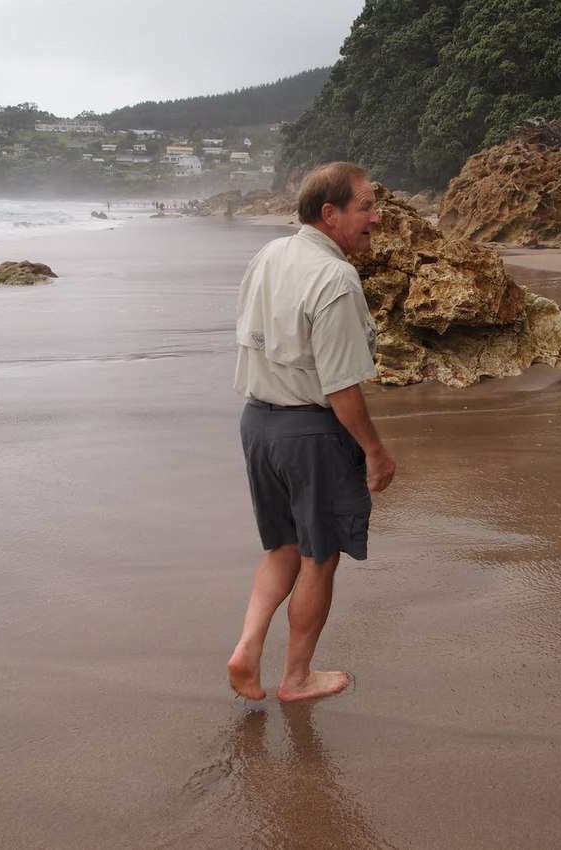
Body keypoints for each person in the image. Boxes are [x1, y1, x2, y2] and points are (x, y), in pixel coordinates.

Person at [227, 162, 397, 703]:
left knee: (282, 546)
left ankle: (248, 647)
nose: (376, 216)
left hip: (257, 423)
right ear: (331, 214)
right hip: (310, 434)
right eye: (366, 206)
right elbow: (342, 386)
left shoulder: (268, 255)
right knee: (319, 556)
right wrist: (374, 450)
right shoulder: (336, 278)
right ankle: (297, 677)